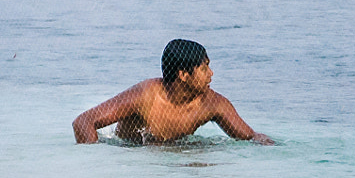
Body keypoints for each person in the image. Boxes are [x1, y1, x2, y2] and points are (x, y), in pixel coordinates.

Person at [72, 39, 273, 145]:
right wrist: (94, 165)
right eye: (204, 68)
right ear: (183, 75)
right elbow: (83, 122)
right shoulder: (146, 96)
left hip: (177, 159)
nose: (211, 74)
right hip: (134, 157)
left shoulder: (213, 104)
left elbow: (250, 138)